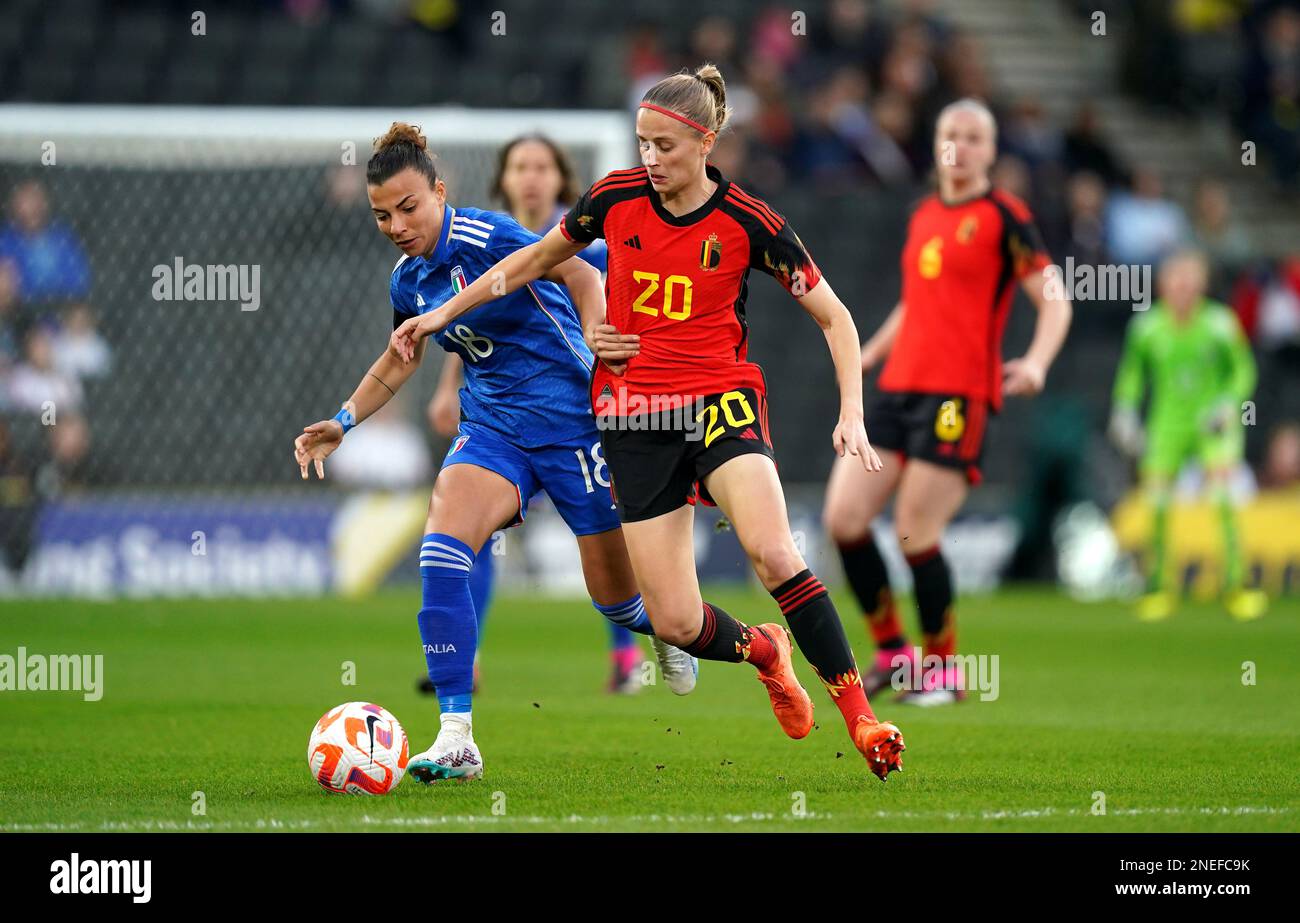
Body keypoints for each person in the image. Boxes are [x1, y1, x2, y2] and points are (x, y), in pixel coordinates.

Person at [391, 65, 907, 781]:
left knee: (773, 553)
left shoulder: (751, 223)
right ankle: (765, 652)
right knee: (672, 622)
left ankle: (864, 720)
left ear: (707, 142)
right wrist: (447, 312)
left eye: (664, 146)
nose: (650, 160)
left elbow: (835, 316)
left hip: (721, 404)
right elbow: (536, 259)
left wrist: (852, 409)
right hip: (634, 420)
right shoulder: (613, 199)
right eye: (642, 144)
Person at [293, 123, 698, 784]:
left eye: (408, 208)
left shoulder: (491, 236)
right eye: (381, 215)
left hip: (573, 424)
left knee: (616, 602)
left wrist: (599, 339)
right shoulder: (408, 280)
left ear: (440, 192)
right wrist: (344, 420)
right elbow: (401, 360)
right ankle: (457, 734)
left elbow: (577, 272)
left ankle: (668, 630)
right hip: (494, 431)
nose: (396, 224)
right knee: (441, 548)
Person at [823, 99, 1072, 704]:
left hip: (957, 394)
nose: (958, 146)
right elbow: (917, 303)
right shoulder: (925, 213)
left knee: (914, 531)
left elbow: (1055, 297)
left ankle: (943, 669)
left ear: (990, 150)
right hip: (898, 387)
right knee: (843, 521)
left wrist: (1036, 362)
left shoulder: (1005, 217)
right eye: (948, 135)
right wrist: (872, 352)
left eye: (972, 137)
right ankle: (894, 653)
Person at [421, 134, 644, 695]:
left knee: (602, 542)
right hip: (502, 422)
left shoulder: (586, 246)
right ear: (504, 178)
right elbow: (471, 332)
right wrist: (448, 389)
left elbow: (607, 310)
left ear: (561, 179)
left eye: (542, 166)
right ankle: (464, 661)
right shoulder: (482, 243)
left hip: (576, 412)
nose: (530, 177)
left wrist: (610, 372)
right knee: (470, 531)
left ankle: (638, 643)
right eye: (520, 166)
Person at [1109, 249, 1267, 622]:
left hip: (1213, 422)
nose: (1182, 288)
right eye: (1175, 280)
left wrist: (1230, 404)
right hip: (1167, 424)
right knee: (1158, 502)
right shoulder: (1147, 328)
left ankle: (1236, 586)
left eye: (1189, 280)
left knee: (1224, 498)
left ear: (1202, 283)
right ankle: (1159, 587)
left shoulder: (1220, 323)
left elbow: (1243, 370)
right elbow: (1132, 375)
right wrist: (1125, 411)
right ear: (1163, 284)